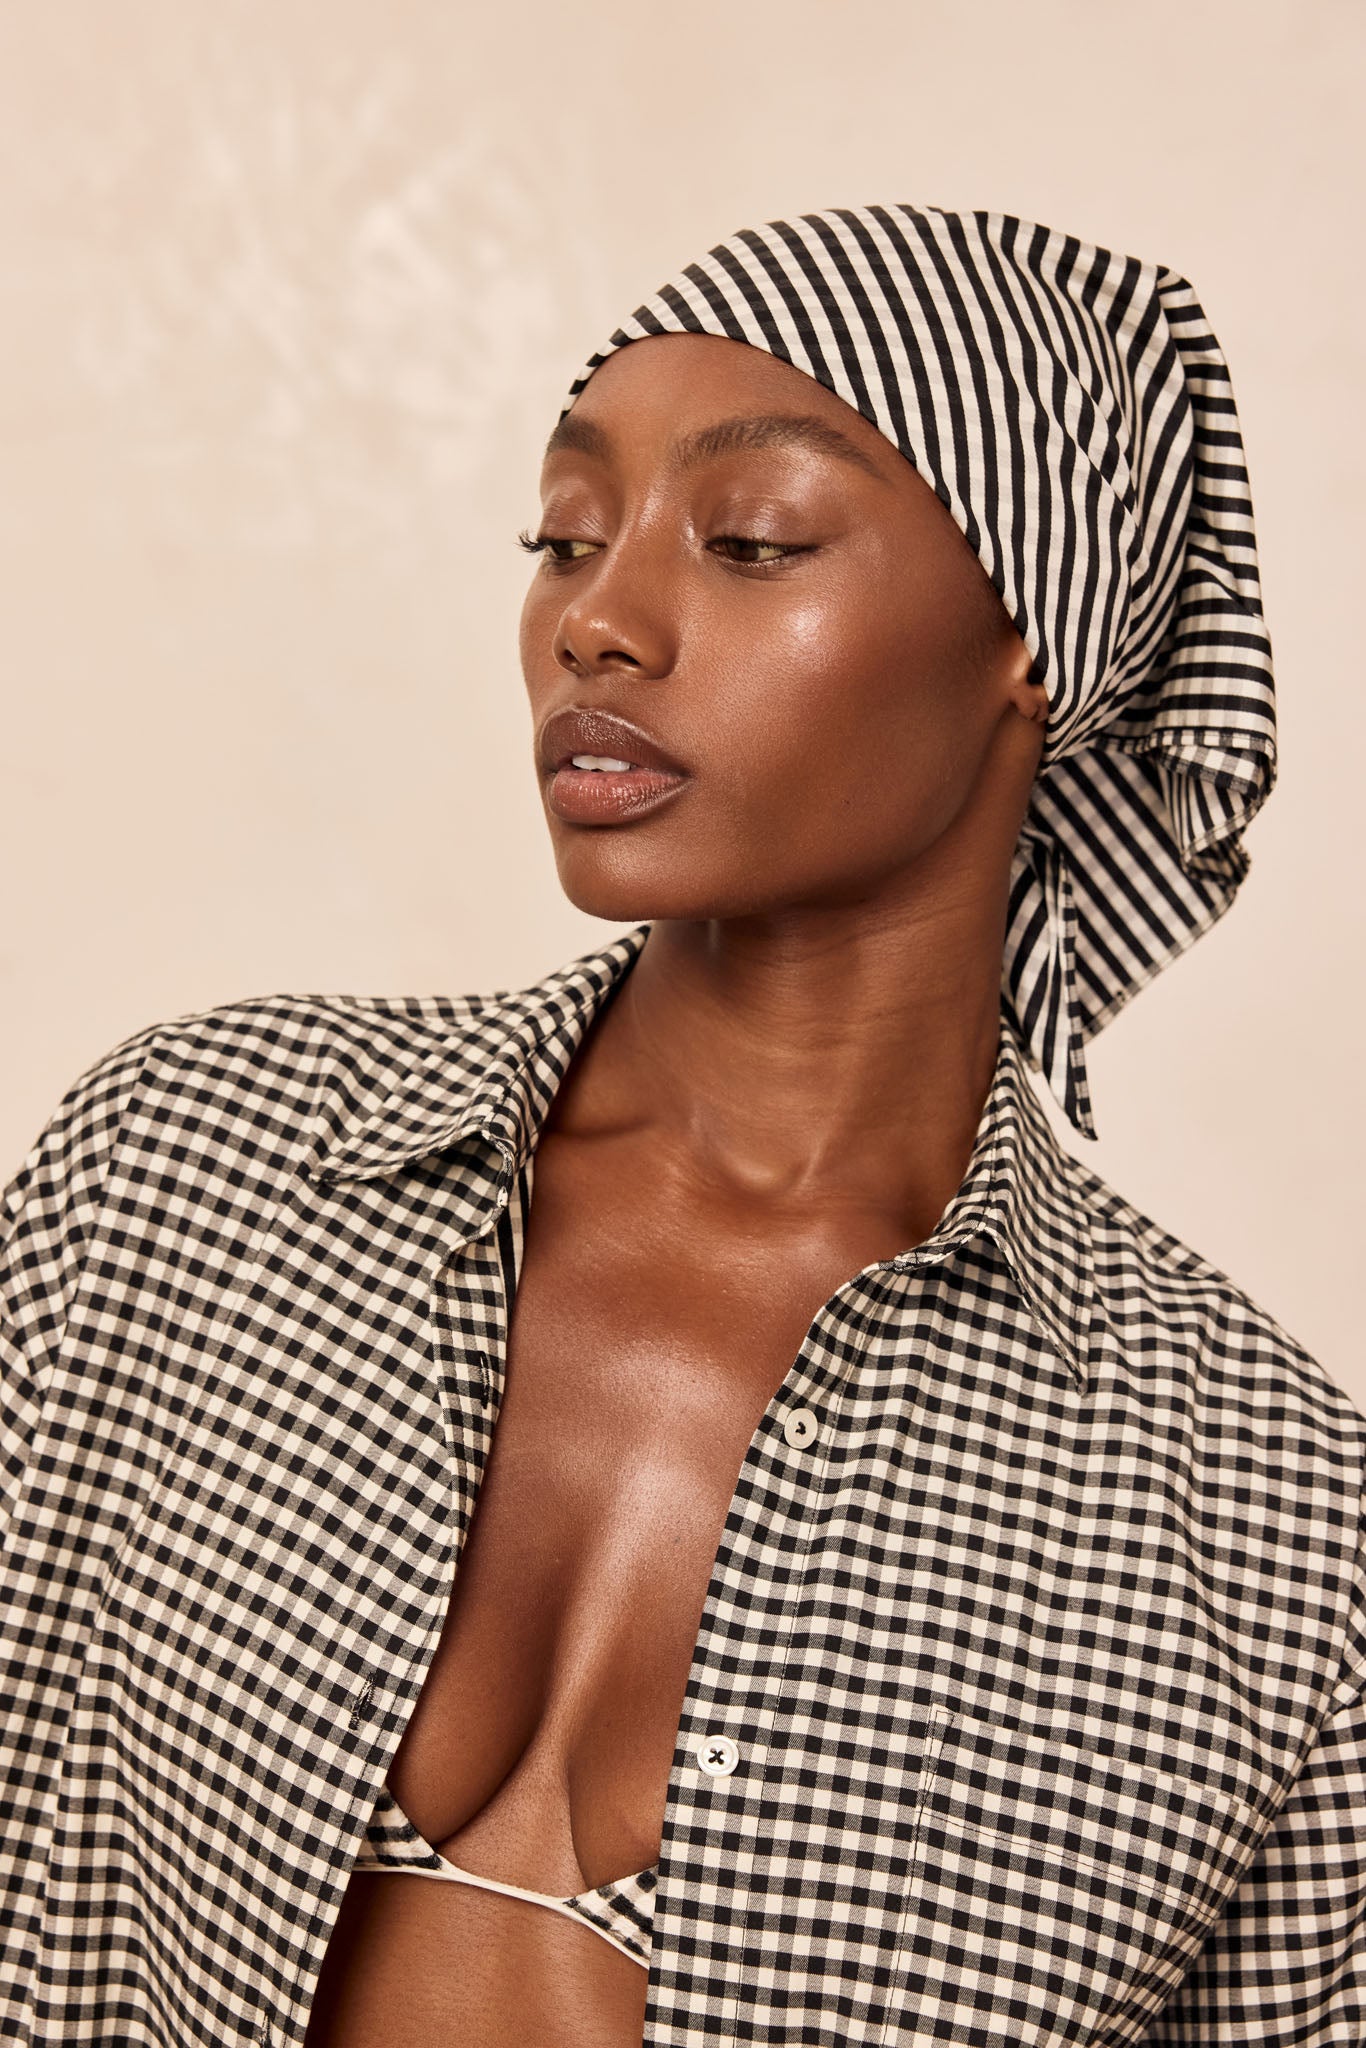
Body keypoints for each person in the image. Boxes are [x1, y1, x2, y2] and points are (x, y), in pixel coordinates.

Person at [2, 205, 1362, 2048]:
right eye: (564, 537)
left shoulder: (1274, 1535)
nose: (598, 621)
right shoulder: (185, 1178)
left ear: (1031, 636)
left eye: (749, 541)